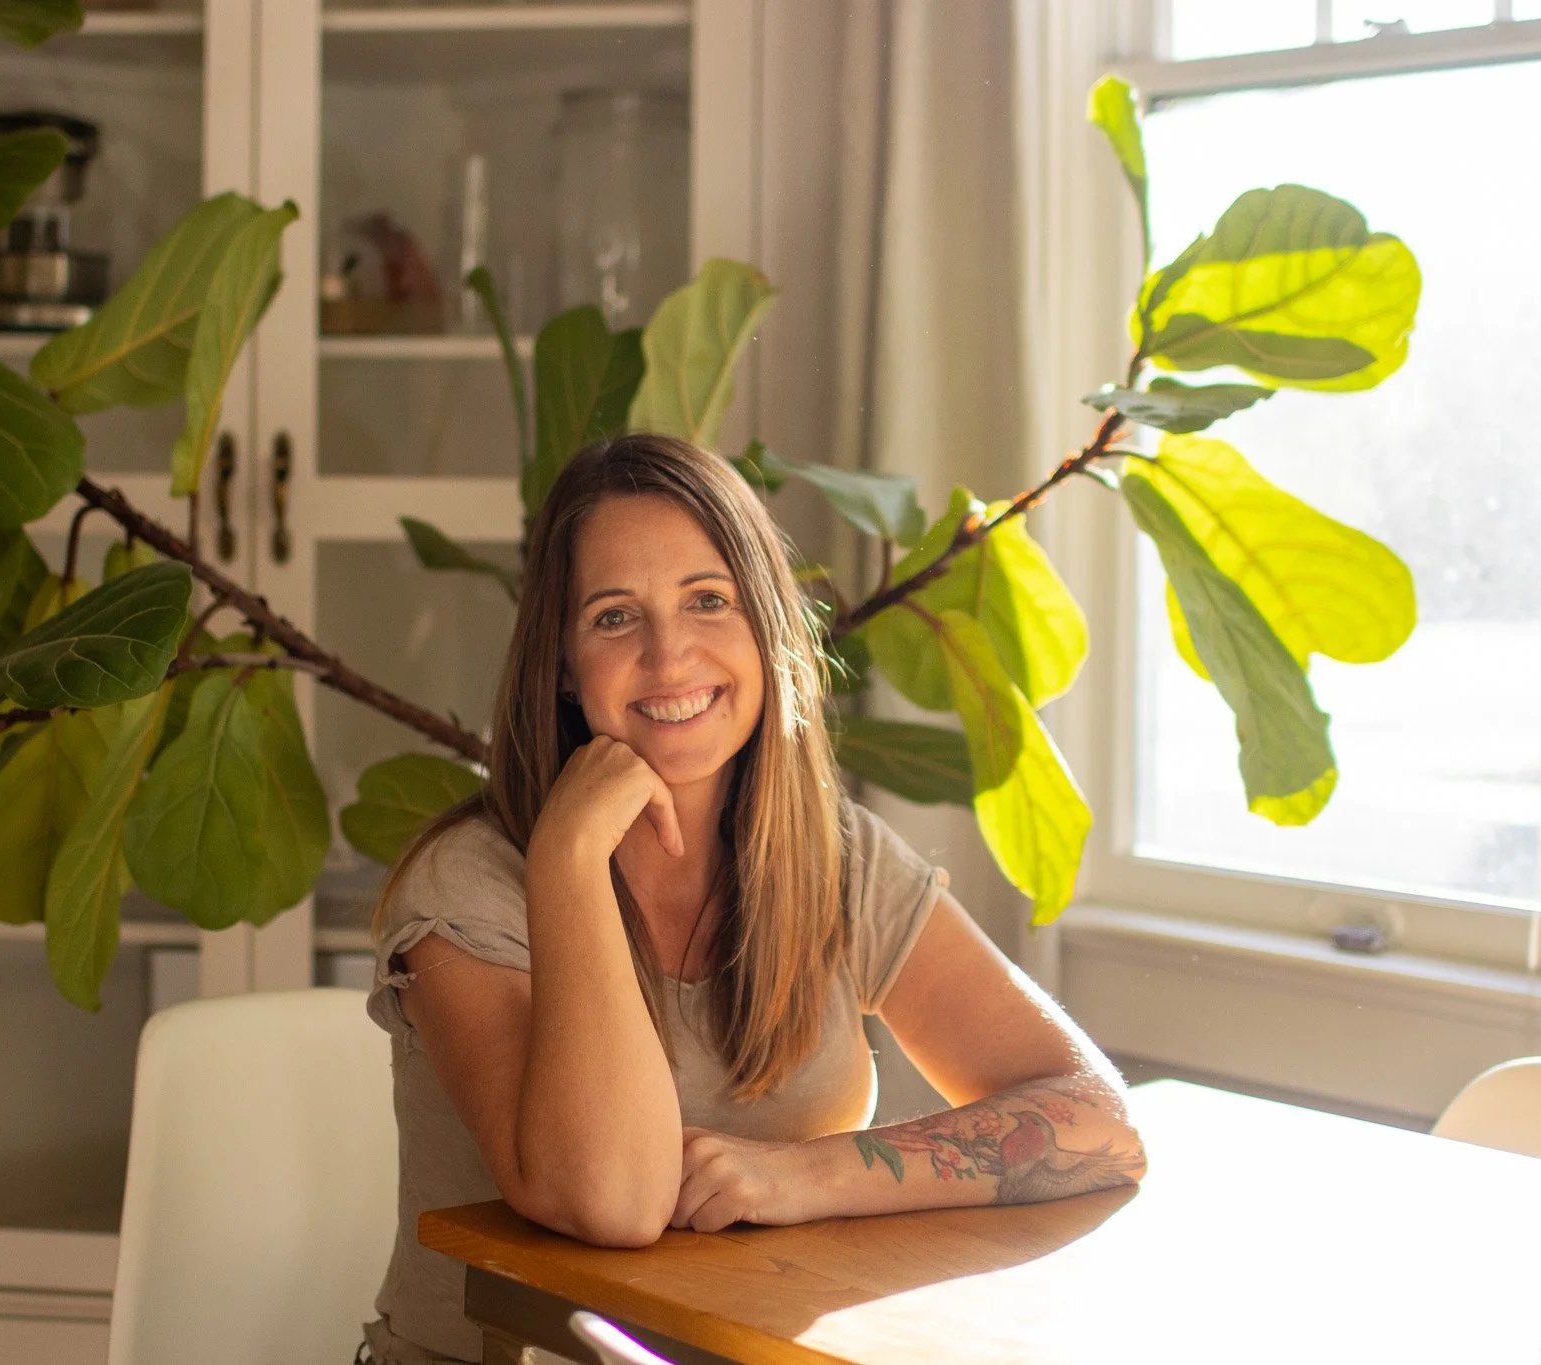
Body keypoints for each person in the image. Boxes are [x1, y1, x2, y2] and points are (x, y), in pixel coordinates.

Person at [362, 435, 1146, 1364]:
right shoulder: (468, 884)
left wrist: (803, 1174)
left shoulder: (836, 858)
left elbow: (1098, 1120)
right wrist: (568, 859)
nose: (669, 654)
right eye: (615, 617)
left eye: (708, 600)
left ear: (767, 626)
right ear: (564, 664)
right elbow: (611, 1200)